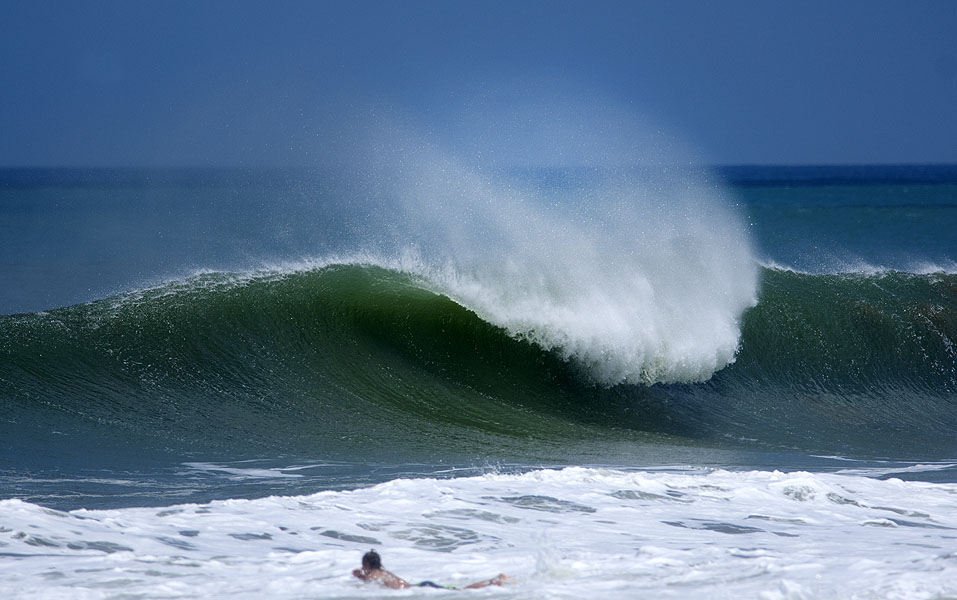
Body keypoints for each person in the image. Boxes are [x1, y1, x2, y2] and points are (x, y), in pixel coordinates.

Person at [352, 549, 511, 590]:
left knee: (461, 591)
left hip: (422, 589)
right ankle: (493, 581)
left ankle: (494, 581)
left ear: (366, 564)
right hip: (422, 587)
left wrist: (360, 577)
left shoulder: (374, 574)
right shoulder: (383, 572)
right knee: (459, 590)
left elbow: (371, 581)